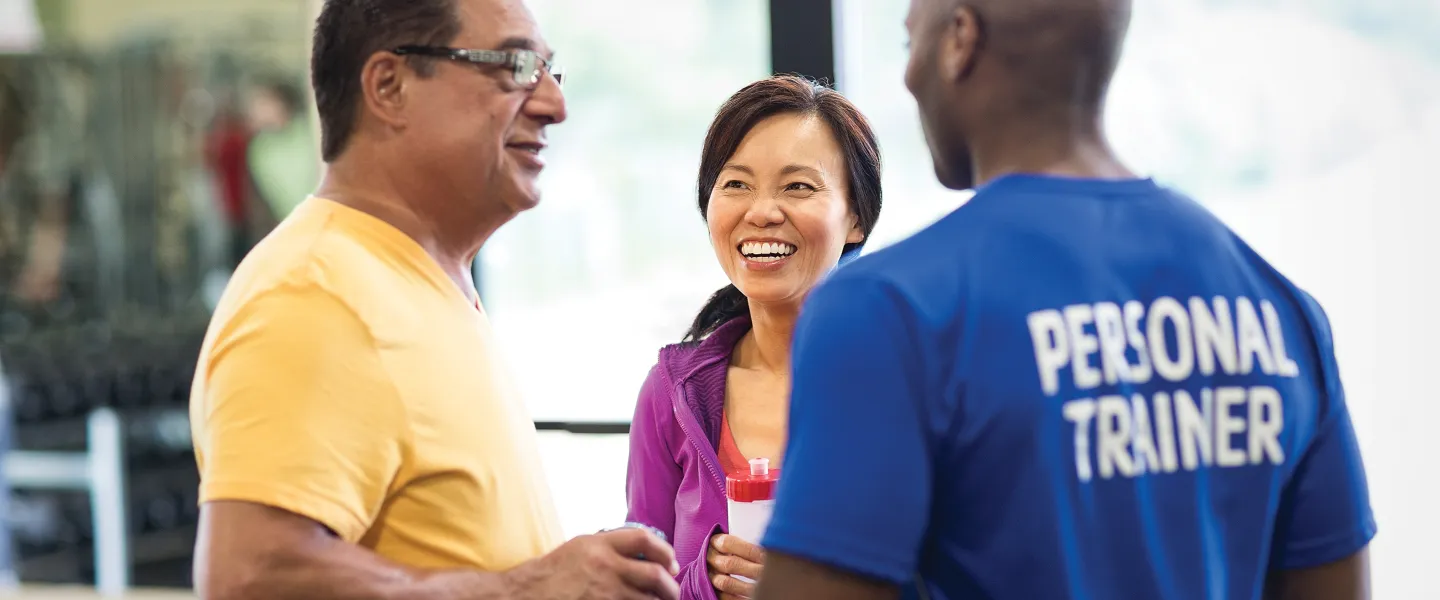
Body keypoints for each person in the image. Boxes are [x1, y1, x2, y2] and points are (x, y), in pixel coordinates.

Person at [754, 1, 1376, 599]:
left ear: (959, 40)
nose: (908, 76)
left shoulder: (885, 311)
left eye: (909, 38)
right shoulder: (1278, 309)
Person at [189, 1, 679, 599]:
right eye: (516, 66)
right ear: (389, 87)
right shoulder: (315, 288)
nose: (555, 104)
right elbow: (250, 576)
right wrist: (526, 588)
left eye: (552, 72)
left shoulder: (413, 278)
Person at [625, 75, 882, 600]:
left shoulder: (911, 383)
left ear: (855, 217)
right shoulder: (673, 392)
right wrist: (705, 579)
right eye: (736, 184)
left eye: (798, 186)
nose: (761, 211)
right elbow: (637, 579)